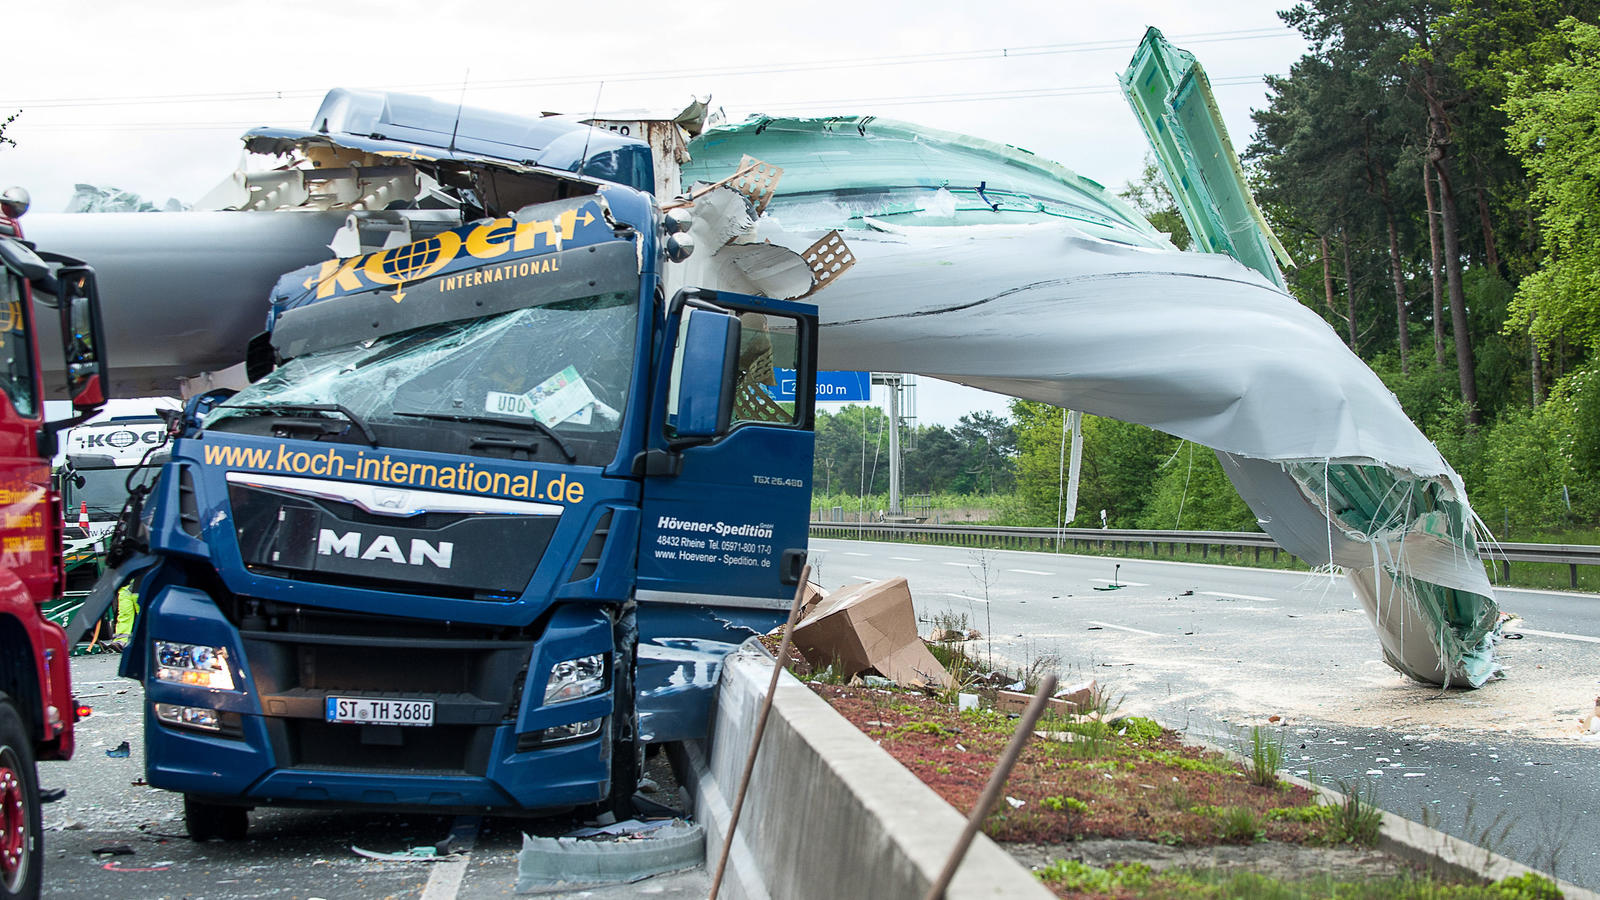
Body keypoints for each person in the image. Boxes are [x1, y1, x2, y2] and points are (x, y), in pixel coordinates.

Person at [104, 582, 138, 652]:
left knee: (145, 616)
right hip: (126, 588)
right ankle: (120, 642)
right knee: (124, 616)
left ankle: (150, 641)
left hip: (138, 587)